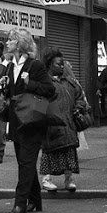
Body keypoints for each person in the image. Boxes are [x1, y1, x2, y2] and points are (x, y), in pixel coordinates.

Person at [2, 28, 54, 213]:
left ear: (19, 44)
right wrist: (5, 85)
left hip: (32, 120)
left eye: (10, 40)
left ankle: (20, 204)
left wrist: (30, 83)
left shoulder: (35, 65)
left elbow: (50, 90)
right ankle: (36, 200)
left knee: (26, 162)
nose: (6, 43)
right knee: (25, 162)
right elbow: (11, 93)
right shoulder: (9, 66)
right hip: (16, 120)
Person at [39, 49, 88, 193]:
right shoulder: (45, 83)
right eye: (58, 64)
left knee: (69, 152)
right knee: (50, 153)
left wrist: (79, 108)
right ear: (49, 64)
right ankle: (46, 179)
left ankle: (69, 179)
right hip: (52, 125)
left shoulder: (70, 83)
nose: (62, 66)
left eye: (62, 64)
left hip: (68, 124)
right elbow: (39, 103)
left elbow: (80, 97)